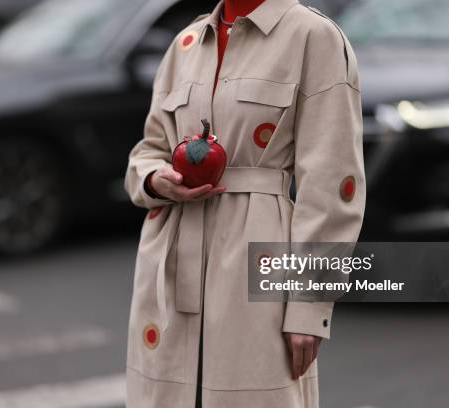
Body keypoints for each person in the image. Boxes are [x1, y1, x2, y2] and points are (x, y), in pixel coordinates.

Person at [124, 0, 365, 406]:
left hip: (258, 255)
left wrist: (308, 304)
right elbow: (148, 150)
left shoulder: (312, 37)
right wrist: (153, 177)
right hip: (168, 254)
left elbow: (331, 186)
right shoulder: (185, 43)